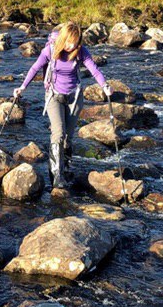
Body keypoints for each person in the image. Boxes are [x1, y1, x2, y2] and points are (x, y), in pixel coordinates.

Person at [13, 21, 111, 188]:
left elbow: (94, 69)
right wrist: (22, 87)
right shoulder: (50, 50)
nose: (71, 45)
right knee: (58, 133)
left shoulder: (80, 51)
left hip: (74, 96)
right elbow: (35, 68)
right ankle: (57, 177)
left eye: (75, 42)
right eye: (68, 41)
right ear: (63, 39)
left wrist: (104, 86)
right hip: (53, 96)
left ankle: (66, 169)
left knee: (68, 138)